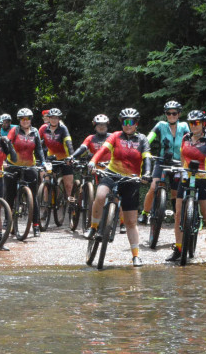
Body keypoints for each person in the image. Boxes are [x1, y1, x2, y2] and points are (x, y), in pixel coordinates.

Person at [87, 108, 152, 267]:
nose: (127, 125)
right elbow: (103, 150)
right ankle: (94, 227)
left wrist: (148, 173)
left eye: (131, 122)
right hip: (112, 174)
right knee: (100, 195)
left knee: (131, 222)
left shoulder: (142, 139)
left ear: (136, 123)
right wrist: (93, 162)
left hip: (132, 180)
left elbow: (147, 158)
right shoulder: (115, 136)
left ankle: (135, 256)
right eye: (124, 122)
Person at [166, 110, 206, 262]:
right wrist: (181, 170)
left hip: (204, 179)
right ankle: (178, 248)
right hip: (186, 179)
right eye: (191, 123)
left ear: (203, 124)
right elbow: (182, 156)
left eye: (196, 123)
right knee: (178, 215)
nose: (193, 126)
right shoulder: (185, 138)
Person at [138, 100, 190, 224]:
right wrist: (142, 148)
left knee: (175, 192)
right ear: (165, 114)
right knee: (153, 186)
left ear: (179, 114)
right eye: (168, 113)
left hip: (178, 163)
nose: (171, 116)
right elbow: (148, 138)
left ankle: (177, 216)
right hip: (161, 161)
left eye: (174, 113)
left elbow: (190, 140)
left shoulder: (184, 126)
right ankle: (145, 213)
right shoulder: (161, 125)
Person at [5, 108, 49, 236]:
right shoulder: (14, 130)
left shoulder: (35, 131)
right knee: (9, 194)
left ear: (30, 120)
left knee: (33, 197)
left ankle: (35, 225)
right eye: (22, 119)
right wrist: (5, 159)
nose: (25, 121)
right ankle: (7, 220)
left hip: (30, 166)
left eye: (27, 119)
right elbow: (7, 142)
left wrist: (43, 162)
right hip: (13, 165)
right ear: (19, 120)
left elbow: (39, 150)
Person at [39, 108, 75, 201]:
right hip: (51, 158)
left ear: (59, 119)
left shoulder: (63, 128)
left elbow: (68, 143)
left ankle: (71, 205)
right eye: (52, 118)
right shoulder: (43, 128)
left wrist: (71, 156)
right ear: (49, 118)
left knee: (68, 185)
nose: (54, 120)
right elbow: (37, 143)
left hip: (65, 158)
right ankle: (47, 207)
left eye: (56, 118)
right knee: (47, 181)